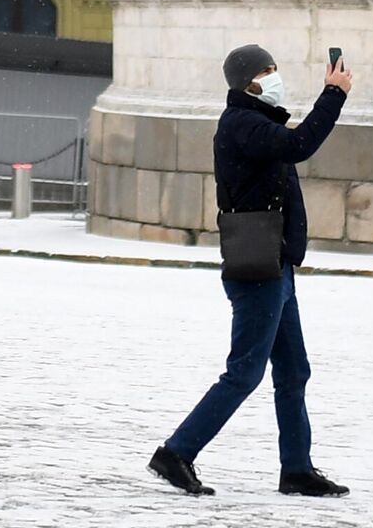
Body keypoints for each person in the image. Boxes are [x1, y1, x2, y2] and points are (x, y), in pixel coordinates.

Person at [149, 43, 355, 498]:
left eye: (275, 68)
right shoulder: (242, 124)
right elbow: (300, 145)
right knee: (244, 372)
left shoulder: (258, 123)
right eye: (267, 70)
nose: (275, 76)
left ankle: (297, 470)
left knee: (293, 371)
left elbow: (289, 148)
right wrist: (333, 95)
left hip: (276, 266)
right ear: (248, 82)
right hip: (257, 269)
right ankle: (176, 453)